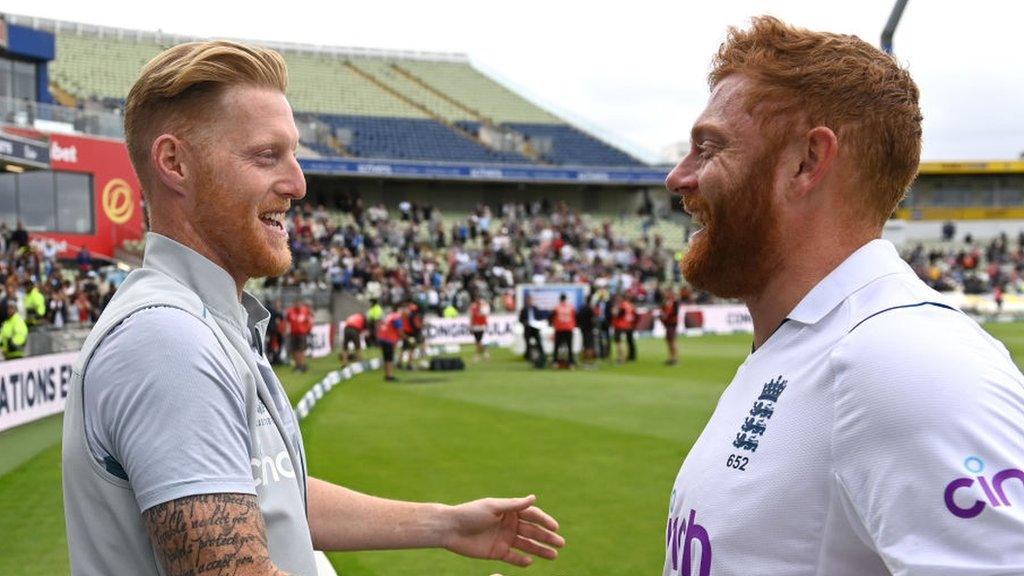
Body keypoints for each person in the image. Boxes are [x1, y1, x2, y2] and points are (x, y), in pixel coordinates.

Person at [62, 40, 563, 576]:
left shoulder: (200, 323)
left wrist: (442, 524)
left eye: (294, 154)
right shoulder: (167, 342)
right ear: (174, 163)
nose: (298, 183)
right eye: (265, 155)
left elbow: (264, 496)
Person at [662, 17, 1024, 576]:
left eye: (710, 148)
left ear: (807, 162)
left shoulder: (905, 358)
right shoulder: (806, 344)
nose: (678, 177)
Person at [377, 303, 404, 382]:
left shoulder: (390, 315)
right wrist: (406, 338)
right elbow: (399, 330)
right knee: (389, 358)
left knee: (386, 357)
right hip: (389, 339)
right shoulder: (397, 317)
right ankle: (389, 375)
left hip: (382, 337)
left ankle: (387, 374)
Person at [285, 298, 313, 372]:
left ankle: (302, 365)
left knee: (301, 350)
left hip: (302, 333)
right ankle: (297, 365)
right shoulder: (290, 311)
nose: (297, 305)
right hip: (293, 333)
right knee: (294, 350)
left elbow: (309, 320)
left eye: (298, 303)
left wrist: (308, 329)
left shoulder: (305, 311)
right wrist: (287, 330)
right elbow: (287, 321)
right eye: (295, 303)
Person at [550, 293, 576, 368]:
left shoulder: (556, 307)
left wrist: (552, 324)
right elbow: (575, 317)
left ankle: (555, 362)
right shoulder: (571, 307)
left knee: (556, 347)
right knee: (570, 347)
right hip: (568, 328)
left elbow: (551, 317)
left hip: (559, 329)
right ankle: (571, 363)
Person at [611, 294, 637, 363]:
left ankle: (621, 357)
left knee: (618, 341)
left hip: (620, 325)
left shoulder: (621, 306)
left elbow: (617, 314)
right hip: (629, 325)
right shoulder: (629, 305)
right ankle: (632, 355)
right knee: (629, 341)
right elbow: (634, 315)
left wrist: (614, 311)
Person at [518, 294, 543, 361]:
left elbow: (540, 317)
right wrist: (525, 323)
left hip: (535, 329)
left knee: (539, 342)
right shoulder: (524, 309)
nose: (529, 301)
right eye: (528, 300)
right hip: (527, 329)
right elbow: (520, 319)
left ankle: (542, 355)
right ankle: (528, 356)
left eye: (530, 300)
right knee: (527, 343)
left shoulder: (535, 308)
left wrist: (537, 322)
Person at [659, 287, 679, 365]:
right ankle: (671, 357)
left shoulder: (673, 301)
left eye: (666, 292)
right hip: (668, 323)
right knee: (669, 341)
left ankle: (675, 358)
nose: (664, 293)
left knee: (672, 341)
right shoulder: (666, 301)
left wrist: (665, 316)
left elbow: (674, 312)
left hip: (672, 323)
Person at [469, 294, 490, 361]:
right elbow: (472, 317)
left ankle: (478, 356)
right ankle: (485, 354)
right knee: (477, 341)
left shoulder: (484, 306)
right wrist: (471, 326)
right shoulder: (473, 307)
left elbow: (485, 315)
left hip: (481, 326)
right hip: (475, 326)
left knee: (478, 341)